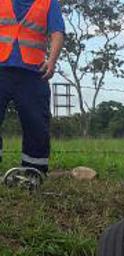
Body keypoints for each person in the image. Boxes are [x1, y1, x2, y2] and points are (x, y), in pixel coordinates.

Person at [0, 0, 65, 175]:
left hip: (34, 72)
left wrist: (52, 61)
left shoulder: (49, 3)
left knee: (36, 125)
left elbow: (57, 32)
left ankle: (34, 173)